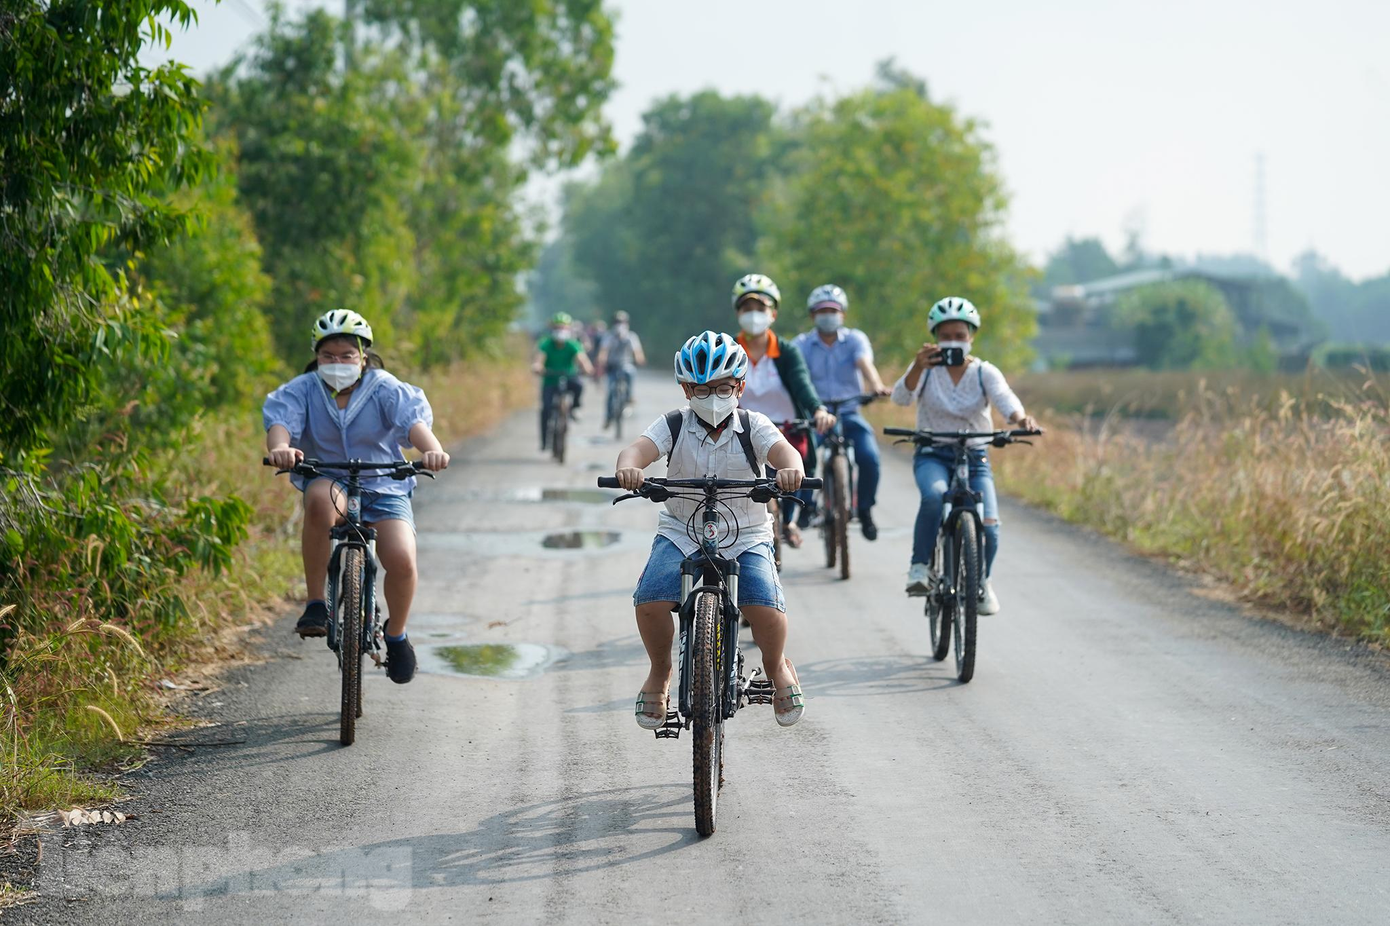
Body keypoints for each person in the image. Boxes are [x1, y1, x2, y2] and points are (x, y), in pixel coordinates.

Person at [613, 330, 808, 728]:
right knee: (649, 600)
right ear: (686, 390)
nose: (713, 397)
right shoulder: (673, 424)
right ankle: (660, 673)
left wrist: (791, 470)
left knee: (766, 606)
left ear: (740, 386)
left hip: (746, 533)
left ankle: (776, 667)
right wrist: (629, 468)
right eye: (701, 390)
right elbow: (637, 450)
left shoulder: (754, 424)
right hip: (681, 530)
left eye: (722, 388)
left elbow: (784, 451)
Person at [263, 309, 450, 684]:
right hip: (330, 479)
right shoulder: (303, 389)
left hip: (384, 485)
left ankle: (396, 635)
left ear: (363, 357)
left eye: (347, 355)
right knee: (318, 500)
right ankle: (316, 603)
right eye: (328, 356)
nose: (338, 363)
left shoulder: (384, 387)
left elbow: (413, 421)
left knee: (402, 560)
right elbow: (281, 422)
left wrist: (432, 449)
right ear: (317, 357)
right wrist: (281, 448)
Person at [890, 297, 1041, 615]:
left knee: (990, 525)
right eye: (946, 336)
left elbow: (1005, 398)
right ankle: (919, 567)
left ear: (972, 337)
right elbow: (901, 398)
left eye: (960, 336)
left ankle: (981, 582)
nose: (953, 342)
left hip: (974, 456)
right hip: (933, 453)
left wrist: (1021, 419)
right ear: (934, 337)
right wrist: (917, 366)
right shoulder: (926, 370)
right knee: (934, 497)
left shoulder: (984, 372)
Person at [730, 273, 833, 547]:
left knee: (796, 470)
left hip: (787, 431)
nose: (753, 314)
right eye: (747, 308)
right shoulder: (728, 350)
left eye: (760, 308)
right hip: (741, 433)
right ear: (737, 313)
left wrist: (818, 409)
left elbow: (802, 383)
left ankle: (790, 521)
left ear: (773, 314)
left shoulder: (786, 352)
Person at [792, 284, 892, 540]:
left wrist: (876, 385)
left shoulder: (855, 340)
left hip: (849, 413)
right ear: (812, 315)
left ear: (843, 314)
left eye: (833, 311)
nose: (828, 315)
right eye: (822, 311)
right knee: (803, 456)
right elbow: (794, 375)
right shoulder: (801, 345)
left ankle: (865, 509)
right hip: (816, 416)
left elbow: (864, 363)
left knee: (869, 457)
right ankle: (806, 506)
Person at [532, 312, 594, 447]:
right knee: (546, 409)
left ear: (569, 329)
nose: (560, 331)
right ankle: (545, 441)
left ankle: (575, 408)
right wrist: (538, 366)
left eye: (563, 327)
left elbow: (582, 359)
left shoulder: (572, 344)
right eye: (557, 327)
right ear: (552, 328)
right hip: (550, 380)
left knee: (579, 385)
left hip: (569, 377)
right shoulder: (546, 344)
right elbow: (539, 359)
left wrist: (587, 368)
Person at [595, 310, 646, 426]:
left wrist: (639, 358)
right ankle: (608, 417)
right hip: (612, 366)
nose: (620, 325)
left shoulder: (631, 336)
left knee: (631, 373)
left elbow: (637, 351)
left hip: (626, 364)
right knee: (610, 390)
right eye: (617, 322)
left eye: (622, 322)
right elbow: (603, 351)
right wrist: (601, 359)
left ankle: (629, 396)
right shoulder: (609, 336)